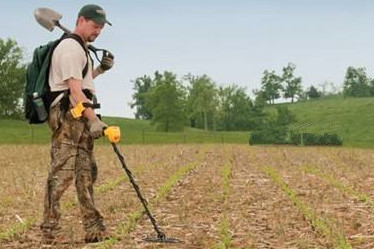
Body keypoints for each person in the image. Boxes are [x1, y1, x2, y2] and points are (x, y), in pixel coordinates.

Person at [40, 4, 115, 244]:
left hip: (80, 115)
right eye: (95, 26)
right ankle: (50, 230)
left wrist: (100, 70)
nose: (98, 31)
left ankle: (94, 228)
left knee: (86, 172)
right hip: (68, 116)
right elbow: (73, 91)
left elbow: (82, 82)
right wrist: (95, 121)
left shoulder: (79, 48)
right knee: (62, 173)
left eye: (101, 28)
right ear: (81, 20)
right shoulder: (70, 48)